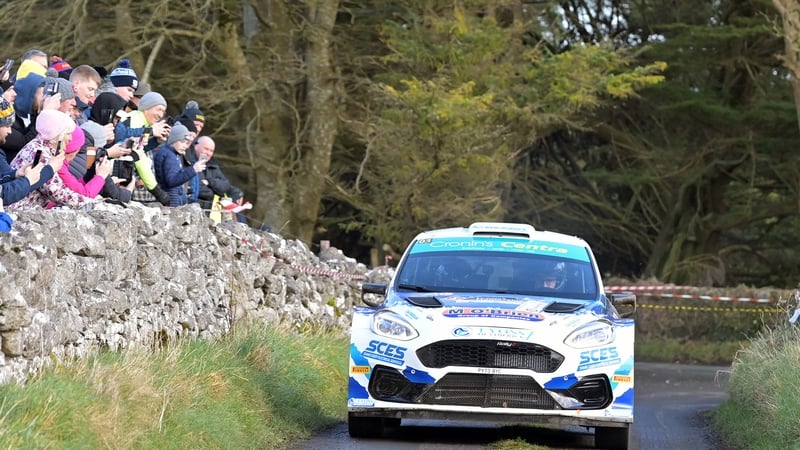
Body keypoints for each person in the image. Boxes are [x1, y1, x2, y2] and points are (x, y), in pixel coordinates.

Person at [8, 109, 92, 210]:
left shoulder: (37, 146)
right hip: (19, 210)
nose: (70, 138)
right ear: (58, 135)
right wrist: (87, 202)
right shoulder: (40, 154)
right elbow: (54, 190)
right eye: (68, 134)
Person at [0, 98, 55, 207]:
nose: (10, 131)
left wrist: (15, 174)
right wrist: (28, 180)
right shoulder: (37, 149)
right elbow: (3, 194)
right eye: (7, 125)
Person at [152, 122, 206, 206]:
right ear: (174, 140)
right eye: (182, 142)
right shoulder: (169, 156)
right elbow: (172, 181)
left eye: (186, 143)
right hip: (171, 202)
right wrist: (193, 170)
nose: (185, 146)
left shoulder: (171, 153)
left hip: (171, 200)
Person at [194, 136, 246, 222]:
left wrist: (210, 182)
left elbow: (226, 185)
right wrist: (216, 191)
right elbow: (200, 190)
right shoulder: (190, 163)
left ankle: (242, 227)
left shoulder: (213, 165)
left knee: (236, 197)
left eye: (211, 151)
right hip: (196, 208)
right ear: (196, 146)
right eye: (206, 149)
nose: (208, 153)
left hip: (209, 210)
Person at [58, 125, 114, 199]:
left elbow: (74, 187)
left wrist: (87, 178)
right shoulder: (59, 167)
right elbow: (83, 197)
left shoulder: (58, 162)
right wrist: (101, 176)